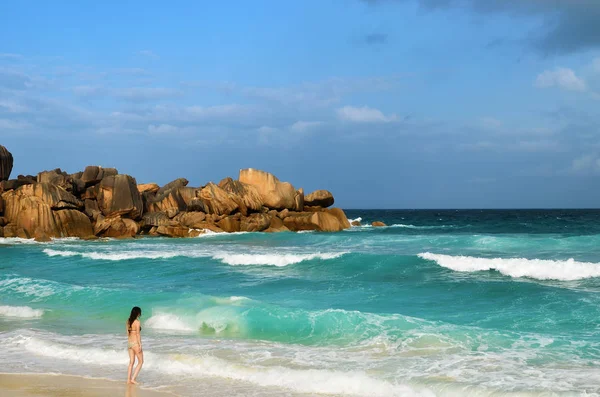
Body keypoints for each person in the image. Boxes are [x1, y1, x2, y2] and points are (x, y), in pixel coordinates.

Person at [126, 306, 143, 384]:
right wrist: (140, 345)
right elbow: (138, 334)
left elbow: (128, 333)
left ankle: (128, 380)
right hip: (135, 343)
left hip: (129, 343)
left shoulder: (128, 321)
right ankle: (133, 379)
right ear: (138, 313)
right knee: (141, 362)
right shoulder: (137, 322)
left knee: (131, 362)